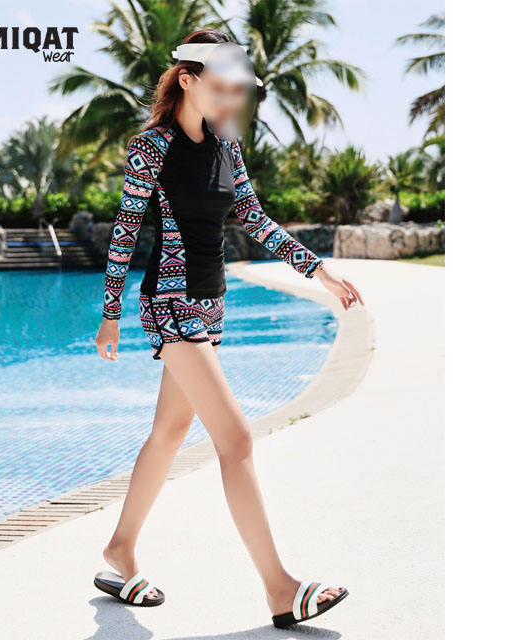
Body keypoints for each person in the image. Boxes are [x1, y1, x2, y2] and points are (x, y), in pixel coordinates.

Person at [94, 28, 363, 629]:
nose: (230, 99)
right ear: (188, 80)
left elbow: (255, 221)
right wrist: (111, 314)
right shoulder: (152, 148)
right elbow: (125, 231)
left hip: (212, 304)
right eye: (220, 87)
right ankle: (280, 588)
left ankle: (119, 549)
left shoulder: (227, 146)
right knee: (236, 441)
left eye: (237, 89)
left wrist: (317, 269)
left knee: (169, 433)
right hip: (170, 302)